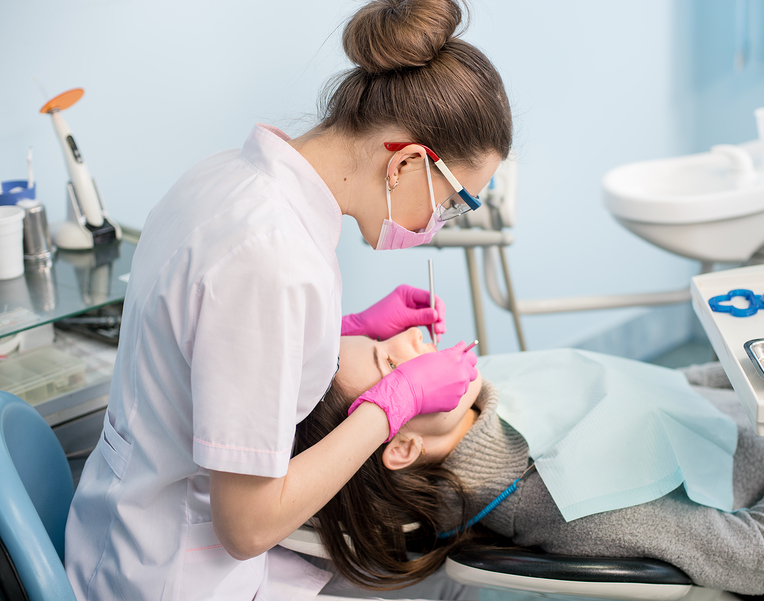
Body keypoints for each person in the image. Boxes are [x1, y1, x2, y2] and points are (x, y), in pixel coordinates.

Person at [64, 1, 512, 599]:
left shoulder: (228, 177)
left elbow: (215, 347)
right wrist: (390, 404)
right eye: (454, 201)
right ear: (406, 161)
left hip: (122, 520)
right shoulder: (273, 259)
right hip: (168, 573)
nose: (442, 221)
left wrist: (342, 327)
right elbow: (248, 527)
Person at [293, 328, 764, 596]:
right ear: (400, 446)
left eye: (380, 336)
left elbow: (663, 387)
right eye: (388, 363)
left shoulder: (495, 394)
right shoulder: (561, 500)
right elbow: (761, 556)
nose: (409, 341)